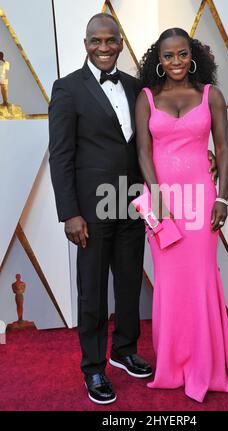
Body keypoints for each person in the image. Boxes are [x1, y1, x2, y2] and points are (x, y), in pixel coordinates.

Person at [49, 14, 217, 405]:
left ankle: (124, 350)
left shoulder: (137, 87)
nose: (104, 48)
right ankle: (93, 368)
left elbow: (160, 133)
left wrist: (201, 151)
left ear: (121, 43)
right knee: (92, 290)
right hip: (91, 208)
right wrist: (69, 213)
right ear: (86, 43)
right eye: (96, 41)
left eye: (111, 41)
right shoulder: (67, 89)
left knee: (128, 282)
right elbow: (60, 156)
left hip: (135, 202)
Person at [135, 27, 228, 403]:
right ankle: (173, 365)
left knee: (201, 278)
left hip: (202, 199)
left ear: (192, 56)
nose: (175, 62)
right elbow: (143, 153)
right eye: (167, 56)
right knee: (169, 282)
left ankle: (206, 362)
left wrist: (222, 198)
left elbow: (222, 150)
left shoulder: (212, 95)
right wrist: (157, 196)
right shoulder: (146, 98)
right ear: (158, 61)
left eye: (181, 54)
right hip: (162, 202)